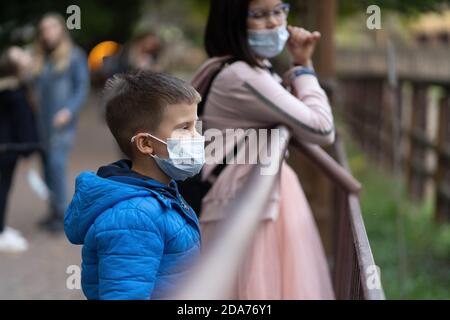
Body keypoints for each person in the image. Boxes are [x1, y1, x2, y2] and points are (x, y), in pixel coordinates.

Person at [196, 0, 336, 299]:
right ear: (232, 21)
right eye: (259, 15)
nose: (274, 23)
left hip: (244, 194)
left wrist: (299, 64)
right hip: (247, 199)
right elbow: (322, 128)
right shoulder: (243, 76)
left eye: (279, 10)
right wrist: (305, 72)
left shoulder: (232, 67)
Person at [64, 71, 203, 299]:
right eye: (184, 128)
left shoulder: (161, 193)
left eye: (195, 126)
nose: (197, 137)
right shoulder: (135, 218)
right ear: (146, 143)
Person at [32, 13, 90, 232]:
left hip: (62, 122)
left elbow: (81, 87)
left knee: (56, 165)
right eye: (44, 29)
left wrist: (69, 110)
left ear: (60, 30)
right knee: (46, 166)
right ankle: (53, 211)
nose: (47, 33)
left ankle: (63, 214)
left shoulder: (74, 56)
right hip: (42, 123)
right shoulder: (40, 58)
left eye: (51, 28)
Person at [0, 46, 39, 252]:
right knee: (2, 188)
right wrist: (27, 148)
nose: (26, 55)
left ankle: (2, 228)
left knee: (5, 187)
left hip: (9, 147)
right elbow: (21, 123)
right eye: (20, 54)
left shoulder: (18, 86)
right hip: (7, 148)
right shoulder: (11, 90)